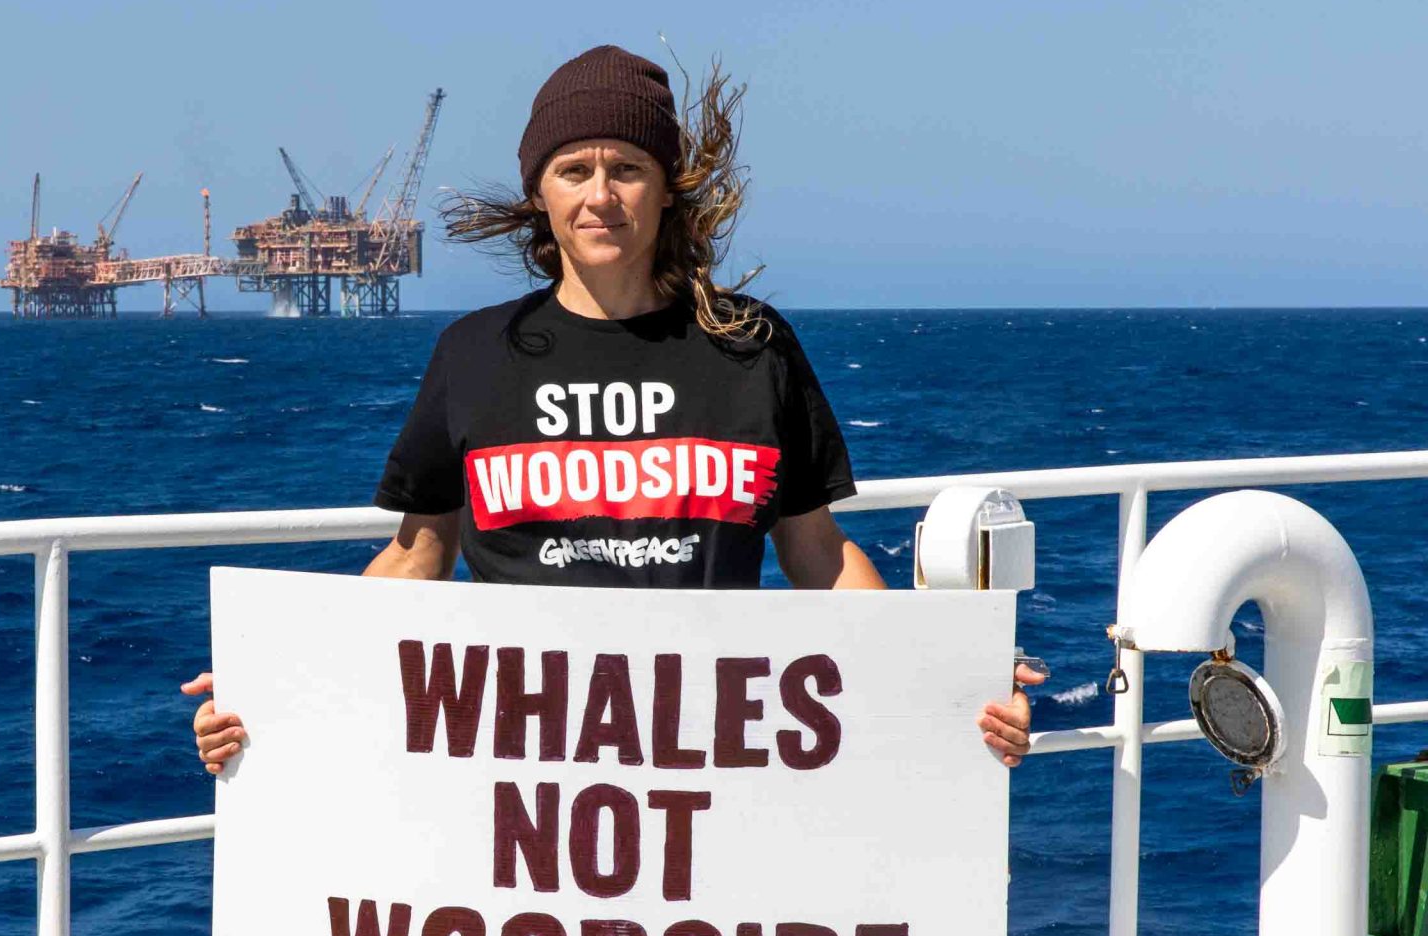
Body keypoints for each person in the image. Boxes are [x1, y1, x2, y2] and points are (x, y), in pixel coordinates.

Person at [186, 44, 1042, 773]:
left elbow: (818, 558)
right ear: (539, 195)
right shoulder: (474, 355)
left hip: (717, 753)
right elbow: (415, 563)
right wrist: (276, 678)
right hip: (515, 762)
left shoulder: (750, 345)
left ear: (667, 189)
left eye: (628, 168)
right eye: (574, 171)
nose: (602, 194)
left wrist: (952, 681)